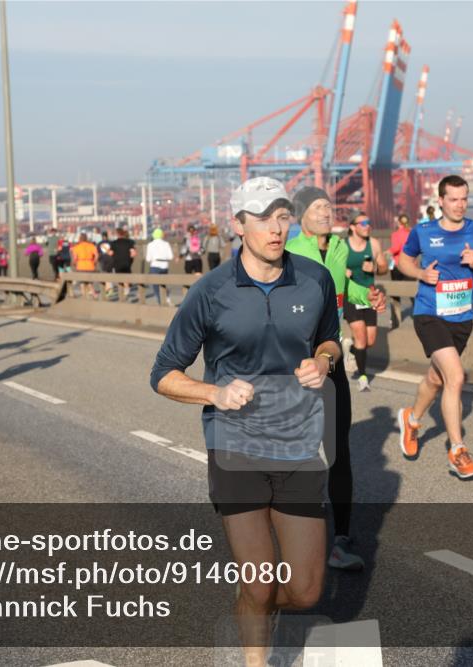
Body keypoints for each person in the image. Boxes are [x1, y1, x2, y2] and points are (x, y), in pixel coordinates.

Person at [151, 177, 340, 664]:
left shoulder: (315, 279)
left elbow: (329, 339)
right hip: (234, 445)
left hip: (299, 443)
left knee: (305, 591)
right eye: (262, 218)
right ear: (238, 225)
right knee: (259, 582)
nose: (276, 228)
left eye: (282, 216)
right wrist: (215, 391)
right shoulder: (211, 292)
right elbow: (164, 375)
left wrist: (321, 362)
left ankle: (251, 608)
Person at [286, 187, 385, 571]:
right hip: (296, 367)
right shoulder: (291, 250)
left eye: (328, 206)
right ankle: (298, 532)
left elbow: (345, 293)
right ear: (300, 216)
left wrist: (369, 297)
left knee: (339, 451)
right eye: (316, 208)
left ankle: (339, 537)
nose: (326, 212)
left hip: (330, 361)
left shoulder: (341, 248)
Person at [396, 175, 473, 479]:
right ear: (441, 200)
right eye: (453, 199)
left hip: (462, 318)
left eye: (464, 199)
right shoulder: (423, 231)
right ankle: (457, 449)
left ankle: (412, 419)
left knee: (437, 378)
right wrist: (420, 274)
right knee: (456, 376)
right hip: (429, 313)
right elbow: (403, 262)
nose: (459, 205)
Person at [344, 213, 388, 391]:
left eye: (368, 222)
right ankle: (363, 378)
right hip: (351, 296)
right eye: (363, 223)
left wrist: (376, 267)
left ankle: (351, 349)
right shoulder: (342, 246)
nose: (367, 225)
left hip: (369, 296)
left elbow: (384, 268)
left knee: (369, 341)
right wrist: (343, 272)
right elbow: (330, 267)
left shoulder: (374, 244)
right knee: (361, 338)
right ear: (353, 227)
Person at [387, 213, 413, 329]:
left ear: (398, 222)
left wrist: (387, 252)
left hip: (398, 265)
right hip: (411, 265)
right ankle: (419, 318)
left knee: (395, 294)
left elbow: (396, 248)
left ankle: (396, 321)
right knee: (413, 293)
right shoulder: (412, 233)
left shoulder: (395, 234)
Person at [145, 228, 174, 304]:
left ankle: (160, 301)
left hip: (155, 265)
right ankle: (167, 297)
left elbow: (148, 259)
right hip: (165, 266)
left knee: (156, 285)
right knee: (163, 283)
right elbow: (171, 257)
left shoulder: (150, 245)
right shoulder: (166, 244)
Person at [109, 227, 137, 300]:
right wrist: (130, 259)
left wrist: (107, 251)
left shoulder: (114, 243)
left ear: (117, 234)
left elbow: (110, 253)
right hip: (127, 263)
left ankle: (122, 294)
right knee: (126, 277)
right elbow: (133, 253)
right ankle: (126, 290)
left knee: (120, 279)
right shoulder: (130, 242)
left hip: (117, 263)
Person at [73, 233, 99, 299]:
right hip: (90, 265)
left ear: (80, 239)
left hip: (80, 265)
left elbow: (75, 258)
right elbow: (96, 255)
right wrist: (94, 262)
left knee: (82, 282)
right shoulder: (92, 246)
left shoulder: (76, 247)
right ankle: (94, 294)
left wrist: (74, 263)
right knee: (89, 282)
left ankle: (84, 296)